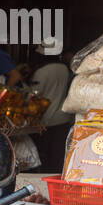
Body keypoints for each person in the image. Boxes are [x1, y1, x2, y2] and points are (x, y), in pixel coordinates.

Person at [29, 42, 74, 173]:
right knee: (58, 156)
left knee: (45, 157)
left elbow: (34, 96)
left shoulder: (41, 72)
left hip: (46, 121)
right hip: (63, 119)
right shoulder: (64, 69)